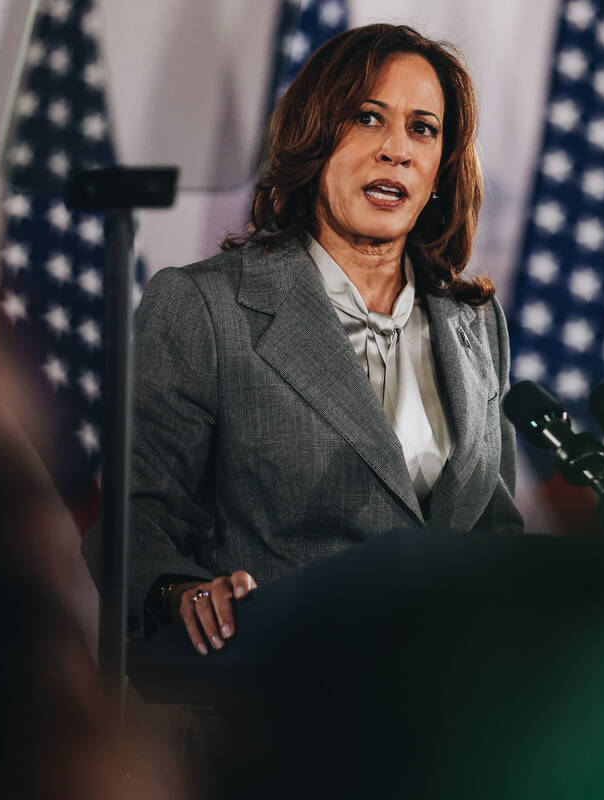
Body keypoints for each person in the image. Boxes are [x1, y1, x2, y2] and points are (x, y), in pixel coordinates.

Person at [129, 24, 524, 655]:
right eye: (368, 118)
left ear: (441, 169)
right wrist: (180, 592)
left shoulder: (475, 321)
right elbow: (137, 515)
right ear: (315, 136)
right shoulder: (204, 307)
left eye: (423, 128)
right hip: (273, 702)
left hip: (446, 712)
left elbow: (496, 531)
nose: (397, 149)